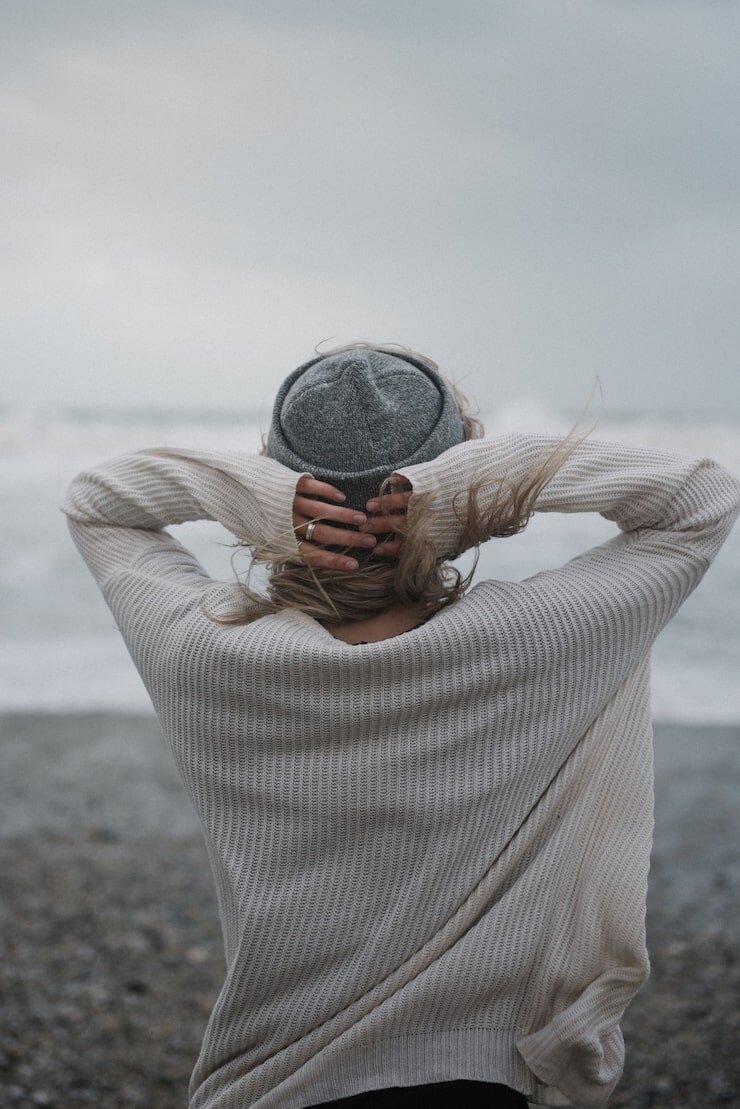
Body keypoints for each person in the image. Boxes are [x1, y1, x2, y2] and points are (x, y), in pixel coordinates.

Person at [60, 341, 740, 1109]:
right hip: (476, 1080)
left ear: (283, 485)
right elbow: (700, 498)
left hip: (267, 1084)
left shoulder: (208, 655)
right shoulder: (534, 641)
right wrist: (485, 483)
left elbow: (97, 500)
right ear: (446, 490)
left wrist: (260, 499)